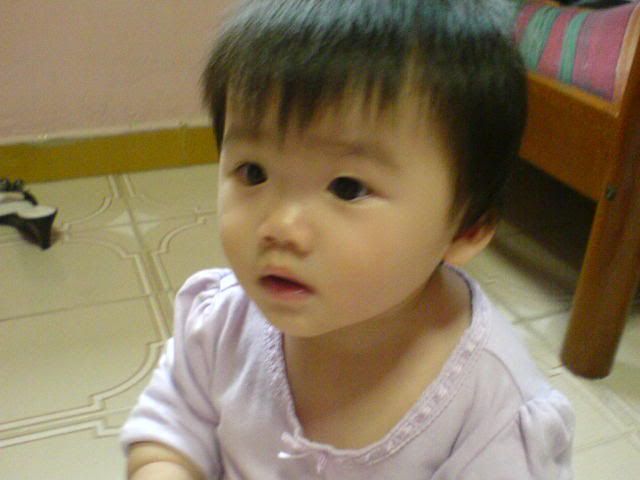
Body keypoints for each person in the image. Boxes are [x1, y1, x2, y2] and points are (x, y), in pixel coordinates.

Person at [120, 0, 575, 478]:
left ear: (466, 228)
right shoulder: (221, 324)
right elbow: (169, 431)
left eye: (347, 188)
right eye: (253, 172)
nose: (279, 227)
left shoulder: (490, 407)